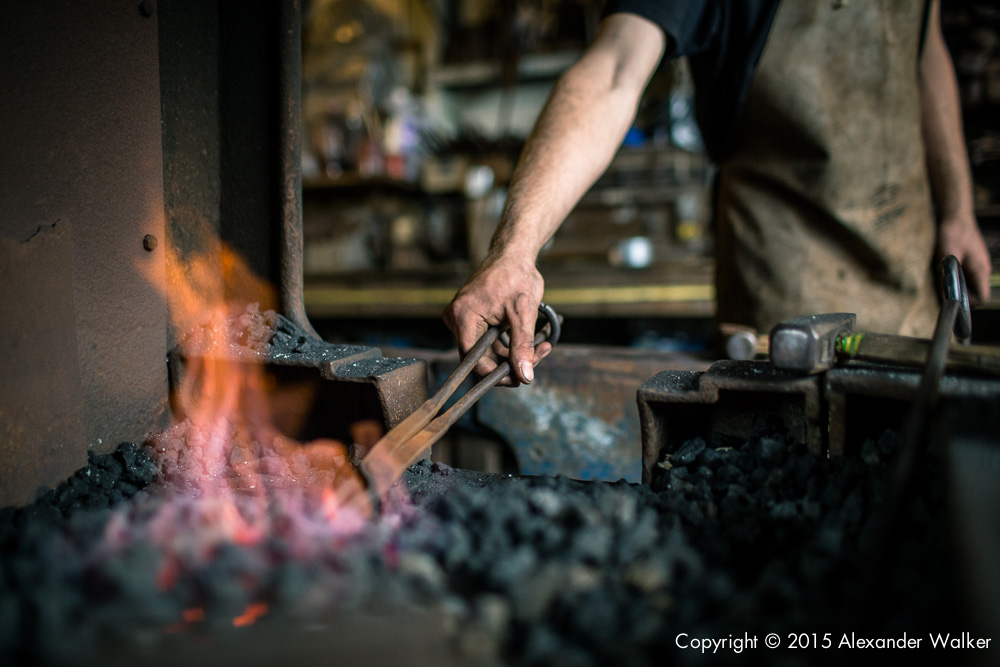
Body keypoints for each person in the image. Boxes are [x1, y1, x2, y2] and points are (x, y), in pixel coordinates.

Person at [443, 0, 993, 386]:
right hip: (786, 287)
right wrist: (513, 252)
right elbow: (612, 71)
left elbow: (927, 51)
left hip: (909, 264)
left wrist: (958, 209)